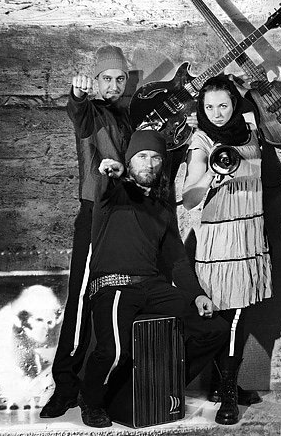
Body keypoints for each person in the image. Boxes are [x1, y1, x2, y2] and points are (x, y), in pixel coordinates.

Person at [78, 130, 227, 428]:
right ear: (129, 161)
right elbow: (106, 178)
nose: (149, 163)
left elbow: (176, 260)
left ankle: (160, 382)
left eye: (156, 157)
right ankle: (92, 401)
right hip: (114, 285)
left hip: (152, 287)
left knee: (214, 329)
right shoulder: (113, 193)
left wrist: (197, 294)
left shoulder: (162, 207)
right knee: (114, 352)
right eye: (142, 156)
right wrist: (111, 171)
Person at [41, 45, 133, 419]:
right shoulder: (91, 111)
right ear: (95, 81)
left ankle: (102, 388)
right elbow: (77, 113)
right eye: (106, 79)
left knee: (119, 298)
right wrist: (78, 94)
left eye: (120, 79)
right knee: (81, 299)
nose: (113, 85)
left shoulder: (128, 115)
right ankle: (65, 386)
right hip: (95, 213)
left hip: (126, 217)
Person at [182, 74, 272, 425]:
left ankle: (223, 386)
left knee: (238, 314)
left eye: (223, 105)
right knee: (228, 316)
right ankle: (229, 394)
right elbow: (189, 199)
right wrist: (210, 177)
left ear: (235, 104)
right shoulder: (201, 140)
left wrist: (252, 88)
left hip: (248, 230)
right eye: (209, 107)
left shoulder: (250, 132)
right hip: (220, 238)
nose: (216, 114)